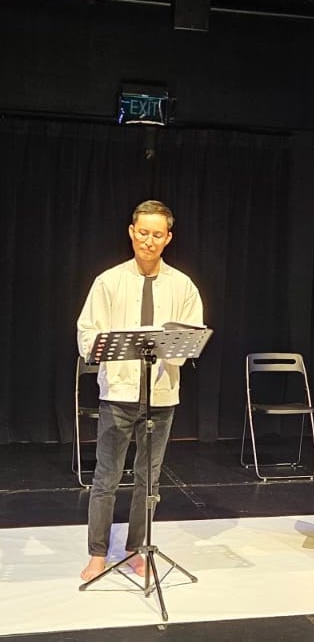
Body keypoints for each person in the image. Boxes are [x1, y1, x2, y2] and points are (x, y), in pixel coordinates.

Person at [76, 199, 203, 581]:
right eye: (143, 233)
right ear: (132, 233)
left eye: (157, 234)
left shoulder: (182, 285)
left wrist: (173, 347)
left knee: (150, 478)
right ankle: (97, 552)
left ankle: (136, 547)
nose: (149, 241)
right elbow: (87, 332)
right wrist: (101, 346)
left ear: (168, 238)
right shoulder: (109, 281)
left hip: (161, 394)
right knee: (107, 475)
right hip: (118, 391)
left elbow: (191, 335)